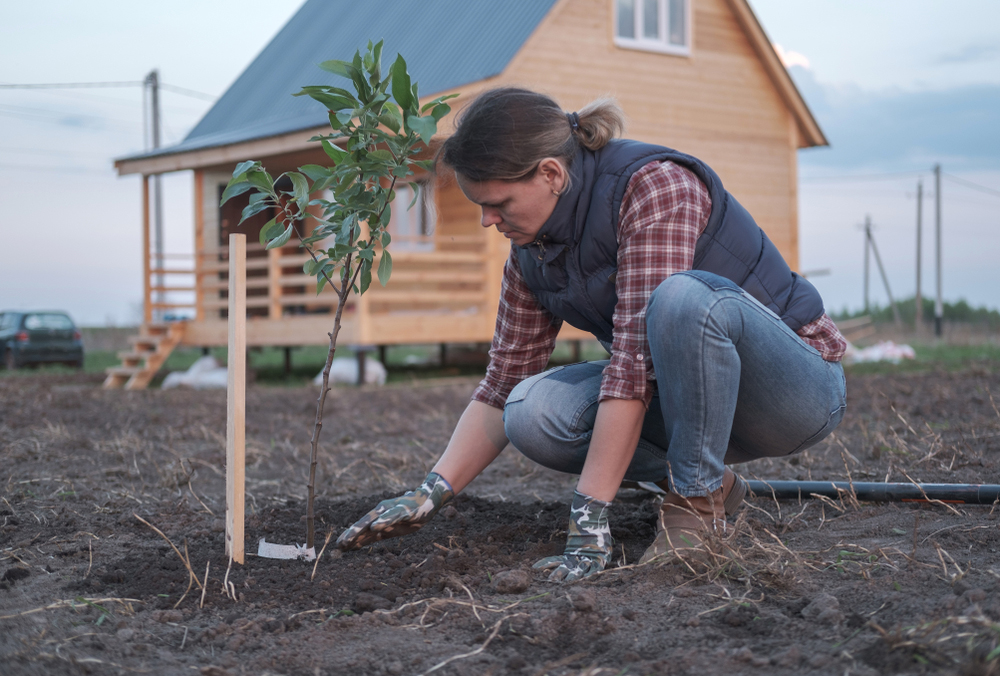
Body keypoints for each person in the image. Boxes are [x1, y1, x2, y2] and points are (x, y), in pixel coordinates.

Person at [336, 88, 847, 582]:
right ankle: (715, 484)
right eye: (479, 206)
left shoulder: (654, 186)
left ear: (552, 173)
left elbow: (634, 363)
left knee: (682, 299)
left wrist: (587, 523)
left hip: (793, 393)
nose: (488, 220)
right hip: (693, 401)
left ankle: (695, 503)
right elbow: (502, 381)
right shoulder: (531, 253)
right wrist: (430, 493)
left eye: (499, 203)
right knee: (531, 412)